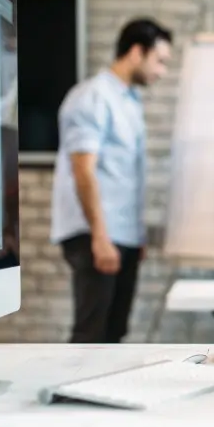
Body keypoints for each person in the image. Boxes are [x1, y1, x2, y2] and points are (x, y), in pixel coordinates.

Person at [50, 18, 173, 344]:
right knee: (92, 333)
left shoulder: (130, 102)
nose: (162, 71)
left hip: (123, 233)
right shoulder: (92, 96)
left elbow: (125, 175)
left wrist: (136, 234)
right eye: (159, 61)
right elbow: (83, 170)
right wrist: (100, 237)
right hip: (96, 233)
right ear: (136, 52)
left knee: (114, 333)